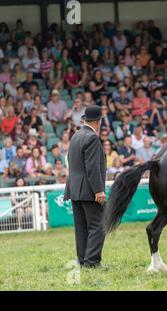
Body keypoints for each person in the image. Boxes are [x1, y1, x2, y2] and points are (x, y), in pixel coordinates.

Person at [64, 106, 107, 269]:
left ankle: (83, 260)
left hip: (74, 189)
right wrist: (98, 190)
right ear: (97, 121)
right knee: (98, 225)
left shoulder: (76, 136)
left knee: (81, 227)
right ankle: (92, 262)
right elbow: (92, 167)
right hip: (89, 190)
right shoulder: (92, 138)